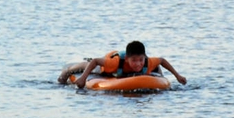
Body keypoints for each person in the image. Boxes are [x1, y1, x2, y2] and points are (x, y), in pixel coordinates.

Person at [57, 40, 186, 88]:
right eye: (134, 60)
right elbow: (95, 61)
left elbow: (162, 60)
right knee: (91, 66)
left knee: (154, 66)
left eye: (140, 60)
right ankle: (68, 70)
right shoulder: (114, 63)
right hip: (108, 63)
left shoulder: (148, 62)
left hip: (126, 70)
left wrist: (177, 76)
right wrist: (83, 78)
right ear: (128, 59)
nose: (138, 64)